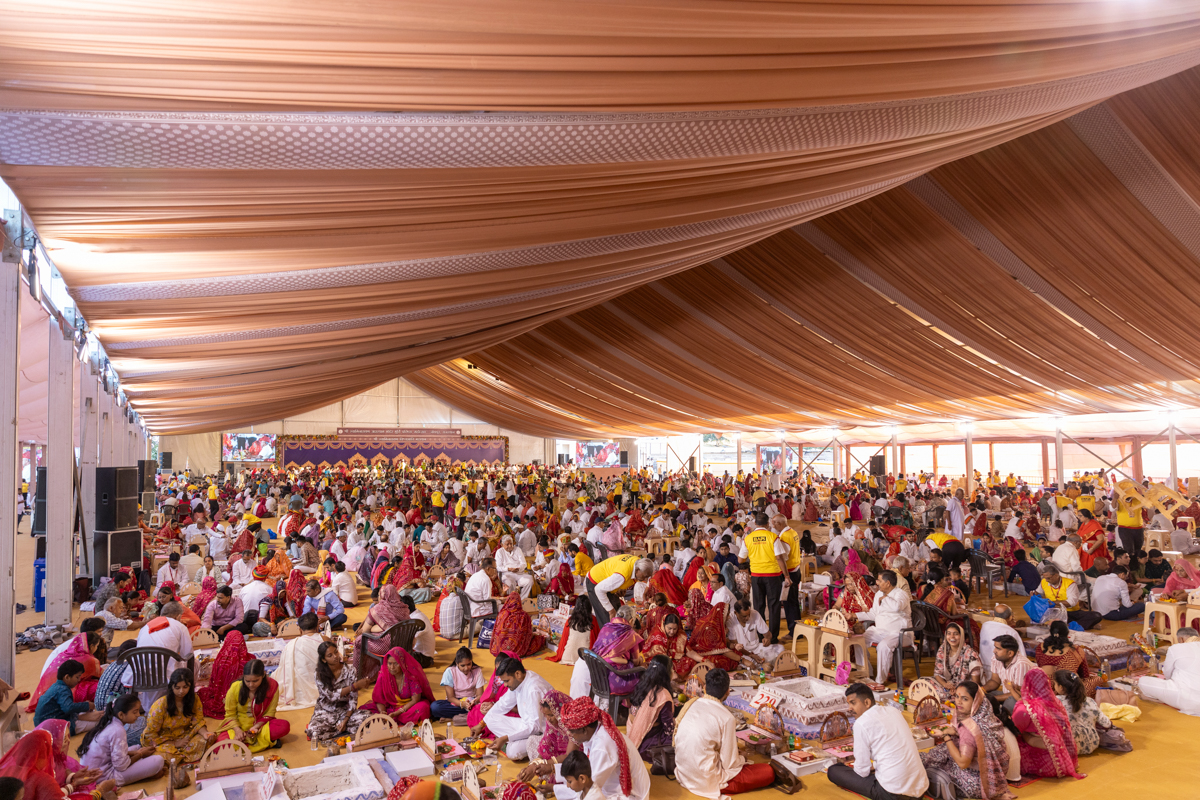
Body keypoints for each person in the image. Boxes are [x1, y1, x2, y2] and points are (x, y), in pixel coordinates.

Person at [673, 667, 780, 798]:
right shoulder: (726, 717)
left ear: (705, 687)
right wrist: (742, 758)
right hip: (705, 780)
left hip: (684, 772)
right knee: (768, 772)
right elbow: (730, 764)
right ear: (728, 691)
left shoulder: (692, 703)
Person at [827, 683, 929, 800]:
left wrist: (868, 767)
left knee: (834, 771)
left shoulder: (861, 723)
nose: (850, 708)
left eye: (853, 703)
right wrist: (875, 765)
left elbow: (862, 771)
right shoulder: (893, 710)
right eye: (849, 704)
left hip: (893, 793)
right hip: (920, 788)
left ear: (867, 703)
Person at [919, 681, 1013, 800]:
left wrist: (945, 737)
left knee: (929, 762)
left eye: (965, 699)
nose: (958, 702)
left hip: (973, 784)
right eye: (957, 697)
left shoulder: (969, 727)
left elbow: (963, 763)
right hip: (991, 780)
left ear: (975, 701)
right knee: (942, 751)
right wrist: (953, 732)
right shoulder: (987, 718)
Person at [554, 697, 650, 800]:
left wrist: (554, 788)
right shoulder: (596, 732)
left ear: (584, 729)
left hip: (630, 795)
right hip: (614, 787)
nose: (571, 736)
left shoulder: (602, 746)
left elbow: (588, 785)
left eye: (572, 732)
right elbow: (585, 768)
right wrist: (553, 771)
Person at [1010, 669, 1084, 779]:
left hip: (1044, 762)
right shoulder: (1056, 702)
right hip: (1062, 759)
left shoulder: (1026, 709)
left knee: (1009, 737)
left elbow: (1014, 730)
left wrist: (1027, 736)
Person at [78, 694, 165, 786]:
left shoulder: (109, 722)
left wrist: (136, 753)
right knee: (158, 760)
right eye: (135, 712)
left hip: (102, 766)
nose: (138, 715)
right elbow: (121, 766)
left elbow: (114, 754)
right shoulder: (117, 730)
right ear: (121, 715)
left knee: (137, 746)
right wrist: (140, 754)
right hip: (101, 776)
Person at [483, 655, 553, 760]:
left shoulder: (533, 689)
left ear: (517, 674)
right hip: (527, 724)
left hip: (543, 732)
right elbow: (503, 703)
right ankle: (514, 741)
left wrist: (506, 738)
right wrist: (481, 724)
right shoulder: (519, 681)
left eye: (506, 681)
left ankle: (513, 742)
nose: (505, 685)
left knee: (513, 752)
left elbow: (535, 727)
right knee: (490, 718)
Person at [737, 514, 791, 645]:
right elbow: (779, 558)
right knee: (774, 607)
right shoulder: (773, 537)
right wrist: (787, 576)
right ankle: (772, 638)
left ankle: (761, 637)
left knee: (758, 606)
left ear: (755, 523)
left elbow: (740, 559)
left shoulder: (748, 538)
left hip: (756, 576)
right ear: (767, 524)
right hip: (772, 576)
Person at [130, 601, 195, 710]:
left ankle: (149, 709)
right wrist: (191, 683)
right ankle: (185, 699)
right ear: (178, 616)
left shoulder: (145, 627)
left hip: (140, 673)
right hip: (165, 676)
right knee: (193, 662)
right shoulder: (179, 626)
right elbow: (188, 654)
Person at [140, 668, 213, 763]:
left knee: (205, 741)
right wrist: (175, 743)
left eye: (185, 687)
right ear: (171, 687)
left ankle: (178, 757)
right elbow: (151, 734)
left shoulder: (194, 699)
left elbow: (198, 722)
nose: (181, 691)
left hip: (184, 736)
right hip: (162, 740)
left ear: (190, 687)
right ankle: (177, 756)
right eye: (177, 688)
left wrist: (205, 734)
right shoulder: (160, 705)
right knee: (162, 756)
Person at [219, 659, 290, 752]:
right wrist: (238, 731)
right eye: (247, 681)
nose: (251, 685)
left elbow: (270, 713)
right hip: (238, 726)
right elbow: (230, 715)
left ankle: (246, 745)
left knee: (284, 726)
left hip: (260, 726)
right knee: (219, 747)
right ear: (243, 677)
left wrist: (256, 727)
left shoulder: (272, 686)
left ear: (264, 675)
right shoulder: (235, 688)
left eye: (255, 681)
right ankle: (268, 742)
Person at [308, 641, 373, 742]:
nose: (335, 656)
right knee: (314, 731)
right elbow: (331, 696)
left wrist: (346, 719)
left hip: (345, 711)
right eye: (330, 655)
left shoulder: (350, 670)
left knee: (369, 719)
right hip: (326, 712)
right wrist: (355, 686)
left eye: (336, 652)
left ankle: (340, 728)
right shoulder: (319, 674)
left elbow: (353, 699)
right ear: (324, 660)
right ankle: (344, 730)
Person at [858, 570, 912, 685]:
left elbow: (897, 607)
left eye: (879, 580)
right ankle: (867, 673)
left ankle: (879, 681)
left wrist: (885, 598)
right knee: (858, 641)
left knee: (883, 646)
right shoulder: (878, 594)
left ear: (888, 583)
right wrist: (855, 616)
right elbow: (873, 614)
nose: (877, 582)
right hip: (880, 631)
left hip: (899, 633)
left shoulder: (901, 594)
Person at [29, 633, 103, 716]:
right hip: (66, 698)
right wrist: (88, 706)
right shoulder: (88, 659)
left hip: (48, 688)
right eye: (97, 646)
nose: (97, 648)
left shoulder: (67, 652)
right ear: (92, 646)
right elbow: (101, 675)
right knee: (99, 686)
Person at [1136, 626, 1200, 715]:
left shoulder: (1176, 648)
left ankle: (1155, 699)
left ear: (1181, 639)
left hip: (1188, 700)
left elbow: (1167, 673)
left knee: (1143, 681)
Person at [361, 647, 434, 725]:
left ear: (402, 663)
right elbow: (379, 699)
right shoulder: (383, 675)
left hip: (407, 707)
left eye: (396, 664)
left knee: (423, 707)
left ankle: (394, 719)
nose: (392, 667)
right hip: (389, 708)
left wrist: (396, 713)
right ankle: (391, 719)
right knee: (364, 711)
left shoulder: (411, 676)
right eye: (389, 663)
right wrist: (383, 713)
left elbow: (415, 700)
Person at [624, 656, 675, 760]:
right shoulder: (662, 695)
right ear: (666, 673)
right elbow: (669, 730)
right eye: (672, 669)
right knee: (682, 740)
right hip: (646, 743)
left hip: (631, 735)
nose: (673, 671)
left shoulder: (641, 686)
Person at [354, 585, 411, 677]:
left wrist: (373, 628)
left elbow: (365, 630)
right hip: (404, 643)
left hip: (388, 646)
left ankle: (361, 674)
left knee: (359, 640)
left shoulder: (378, 609)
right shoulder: (404, 607)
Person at [33, 661, 103, 734]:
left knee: (85, 710)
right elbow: (68, 708)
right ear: (67, 677)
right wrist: (87, 705)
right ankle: (81, 719)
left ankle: (83, 717)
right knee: (100, 722)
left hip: (44, 722)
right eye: (77, 677)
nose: (79, 680)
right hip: (51, 727)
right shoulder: (62, 689)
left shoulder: (57, 686)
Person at [585, 555, 655, 627]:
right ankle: (608, 637)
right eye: (645, 576)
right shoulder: (621, 576)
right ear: (637, 570)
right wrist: (611, 611)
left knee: (619, 616)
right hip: (596, 583)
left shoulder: (638, 562)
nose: (646, 579)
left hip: (606, 582)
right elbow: (599, 589)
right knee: (608, 621)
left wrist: (622, 587)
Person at [1052, 670, 1110, 757]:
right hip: (1092, 743)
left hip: (1069, 747)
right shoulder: (1089, 700)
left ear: (1061, 687)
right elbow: (1106, 723)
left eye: (1055, 684)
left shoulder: (1056, 701)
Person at [1035, 620, 1101, 696]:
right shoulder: (1076, 650)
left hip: (1044, 688)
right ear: (1067, 633)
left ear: (1050, 632)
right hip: (1066, 689)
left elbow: (1040, 666)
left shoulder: (1040, 647)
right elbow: (1084, 675)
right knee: (1098, 679)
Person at [276, 613, 324, 710]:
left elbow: (282, 667)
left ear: (300, 629)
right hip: (322, 684)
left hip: (296, 690)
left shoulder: (291, 644)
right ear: (318, 627)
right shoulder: (324, 639)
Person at [199, 631, 252, 718]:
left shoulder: (219, 659)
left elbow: (213, 681)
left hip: (219, 696)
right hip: (242, 698)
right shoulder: (248, 661)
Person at [591, 606, 643, 696]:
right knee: (644, 675)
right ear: (631, 621)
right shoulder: (631, 635)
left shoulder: (605, 627)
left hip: (598, 677)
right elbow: (635, 661)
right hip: (615, 682)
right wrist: (639, 660)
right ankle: (632, 706)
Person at [1034, 564, 1101, 630]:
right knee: (1038, 615)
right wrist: (1034, 595)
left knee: (1096, 616)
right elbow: (1038, 593)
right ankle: (1080, 625)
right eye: (1045, 578)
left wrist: (1052, 603)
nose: (1046, 580)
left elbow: (1071, 603)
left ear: (1056, 575)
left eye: (1048, 578)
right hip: (1053, 612)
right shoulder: (1044, 582)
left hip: (1070, 612)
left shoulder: (1070, 583)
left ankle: (1063, 626)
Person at [725, 598, 783, 668]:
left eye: (748, 614)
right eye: (744, 616)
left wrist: (767, 639)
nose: (747, 618)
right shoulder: (730, 620)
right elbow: (735, 645)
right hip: (743, 652)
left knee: (780, 649)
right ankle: (763, 664)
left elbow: (768, 634)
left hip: (757, 648)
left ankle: (762, 663)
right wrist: (751, 655)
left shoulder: (755, 613)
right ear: (736, 613)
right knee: (747, 662)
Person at [431, 647, 485, 721]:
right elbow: (450, 697)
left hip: (471, 701)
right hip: (455, 702)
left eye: (469, 664)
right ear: (457, 663)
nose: (466, 668)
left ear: (472, 661)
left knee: (486, 707)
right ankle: (468, 715)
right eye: (462, 665)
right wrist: (462, 704)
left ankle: (453, 717)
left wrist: (474, 701)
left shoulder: (477, 670)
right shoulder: (450, 671)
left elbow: (480, 695)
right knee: (435, 707)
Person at [931, 623, 982, 700]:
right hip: (949, 685)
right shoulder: (943, 649)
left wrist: (958, 689)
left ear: (962, 636)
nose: (952, 637)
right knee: (925, 683)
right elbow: (937, 673)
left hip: (966, 688)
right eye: (949, 634)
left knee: (962, 696)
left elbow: (975, 683)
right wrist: (945, 685)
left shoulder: (971, 654)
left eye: (956, 634)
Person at [982, 635, 1033, 711]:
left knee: (1010, 702)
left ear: (1010, 653)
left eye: (998, 648)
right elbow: (995, 681)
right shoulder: (996, 658)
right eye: (995, 647)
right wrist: (981, 690)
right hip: (1008, 693)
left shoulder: (1021, 664)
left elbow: (1019, 693)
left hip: (1022, 697)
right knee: (984, 696)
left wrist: (992, 699)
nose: (994, 651)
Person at [490, 592, 547, 658]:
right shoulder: (523, 615)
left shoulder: (502, 614)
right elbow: (528, 635)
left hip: (499, 650)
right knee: (539, 640)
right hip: (517, 651)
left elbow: (495, 632)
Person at [547, 594, 598, 666]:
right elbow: (598, 639)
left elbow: (564, 640)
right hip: (586, 658)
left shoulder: (570, 620)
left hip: (568, 657)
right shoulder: (593, 620)